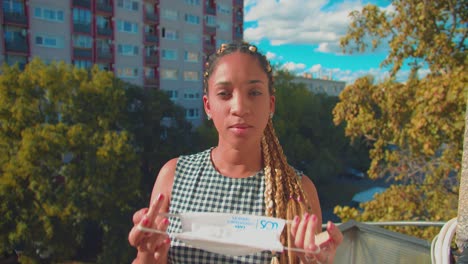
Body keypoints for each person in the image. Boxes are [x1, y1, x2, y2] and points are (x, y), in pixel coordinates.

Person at [128, 42, 343, 264]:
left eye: (254, 92)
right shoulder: (174, 176)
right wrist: (146, 255)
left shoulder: (298, 192)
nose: (239, 107)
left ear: (271, 105)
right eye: (224, 93)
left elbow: (312, 256)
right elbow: (148, 258)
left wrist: (316, 262)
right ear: (208, 106)